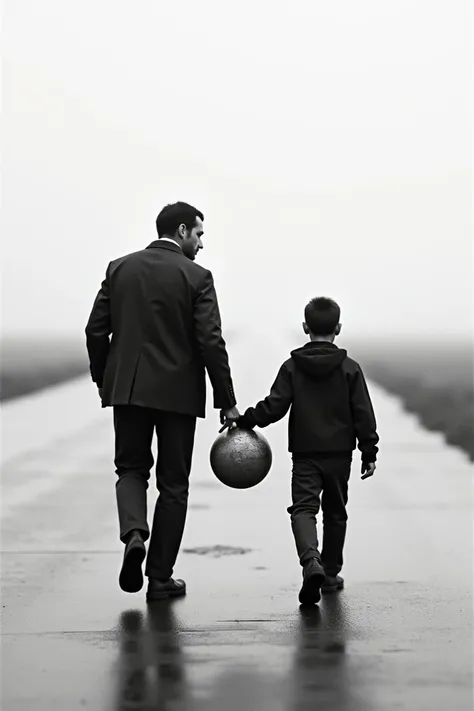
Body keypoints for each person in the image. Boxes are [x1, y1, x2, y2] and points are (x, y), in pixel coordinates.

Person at [85, 201, 240, 601]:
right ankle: (159, 577)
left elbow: (94, 331)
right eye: (200, 234)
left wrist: (107, 379)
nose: (202, 244)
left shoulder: (120, 268)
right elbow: (211, 342)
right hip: (178, 394)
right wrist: (227, 401)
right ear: (184, 230)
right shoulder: (198, 277)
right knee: (174, 484)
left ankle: (134, 534)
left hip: (129, 390)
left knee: (131, 470)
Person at [236, 297, 379, 605]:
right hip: (340, 454)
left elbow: (273, 407)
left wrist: (244, 420)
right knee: (336, 512)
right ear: (338, 328)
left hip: (305, 454)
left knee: (304, 509)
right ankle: (329, 573)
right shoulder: (350, 369)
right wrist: (369, 451)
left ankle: (310, 561)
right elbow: (363, 413)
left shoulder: (291, 368)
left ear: (305, 327)